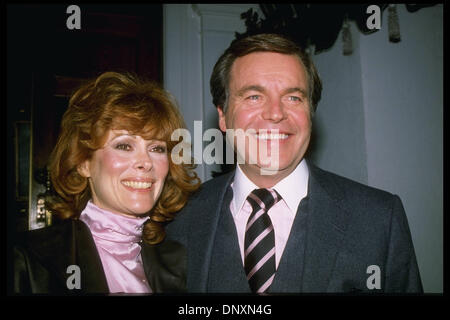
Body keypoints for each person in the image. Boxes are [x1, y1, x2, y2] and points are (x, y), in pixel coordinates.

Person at [165, 33, 423, 293]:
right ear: (223, 116)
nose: (276, 113)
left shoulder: (379, 219)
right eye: (254, 96)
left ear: (310, 113)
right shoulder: (178, 216)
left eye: (293, 97)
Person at [14, 71, 200, 294]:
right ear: (84, 163)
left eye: (156, 148)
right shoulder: (31, 259)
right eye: (124, 146)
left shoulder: (181, 261)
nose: (146, 162)